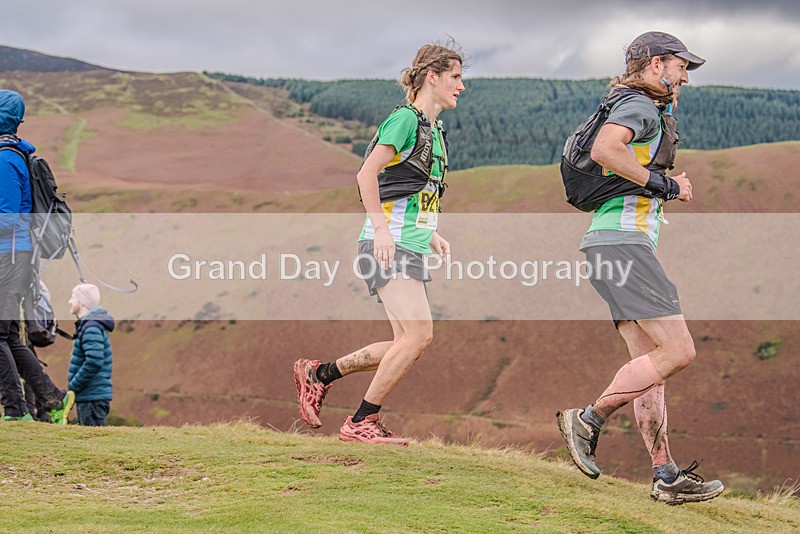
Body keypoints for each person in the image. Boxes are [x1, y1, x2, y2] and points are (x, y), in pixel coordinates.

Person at [556, 32, 724, 505]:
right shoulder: (640, 106)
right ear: (655, 65)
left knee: (650, 365)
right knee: (679, 351)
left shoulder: (632, 104)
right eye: (681, 66)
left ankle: (664, 474)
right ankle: (587, 419)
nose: (686, 77)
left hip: (609, 245)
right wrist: (667, 186)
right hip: (624, 246)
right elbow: (606, 150)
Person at [293, 42, 465, 445]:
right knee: (419, 336)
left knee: (404, 342)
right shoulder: (405, 120)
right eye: (455, 77)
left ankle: (319, 374)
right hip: (387, 244)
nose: (461, 86)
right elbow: (366, 174)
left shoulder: (434, 130)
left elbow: (408, 189)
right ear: (433, 77)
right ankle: (360, 422)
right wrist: (382, 229)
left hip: (408, 242)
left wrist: (430, 232)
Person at [0, 89, 74, 424]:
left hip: (8, 256)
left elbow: (7, 218)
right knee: (7, 335)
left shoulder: (4, 159)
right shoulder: (14, 154)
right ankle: (53, 400)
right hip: (17, 257)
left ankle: (17, 411)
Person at [68, 283, 114, 426]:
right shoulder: (90, 326)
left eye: (73, 297)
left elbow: (94, 361)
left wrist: (74, 385)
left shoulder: (91, 328)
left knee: (93, 439)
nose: (69, 301)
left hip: (92, 397)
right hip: (90, 396)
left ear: (82, 302)